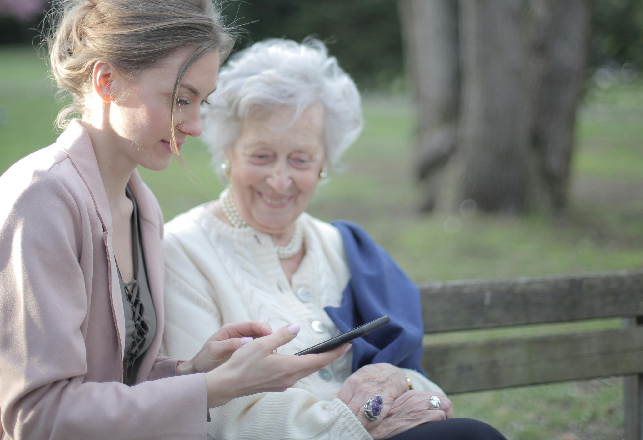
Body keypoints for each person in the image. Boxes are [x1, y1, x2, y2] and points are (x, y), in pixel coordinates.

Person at [0, 0, 347, 440]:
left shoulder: (139, 205)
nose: (194, 125)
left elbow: (112, 384)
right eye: (179, 99)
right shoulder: (39, 200)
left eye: (201, 102)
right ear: (107, 80)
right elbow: (41, 418)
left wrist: (194, 369)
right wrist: (211, 390)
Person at [162, 40, 506, 440]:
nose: (279, 179)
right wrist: (355, 423)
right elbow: (223, 415)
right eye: (260, 156)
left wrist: (402, 383)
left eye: (300, 159)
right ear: (228, 153)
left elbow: (425, 390)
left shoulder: (345, 248)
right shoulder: (182, 251)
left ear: (323, 164)